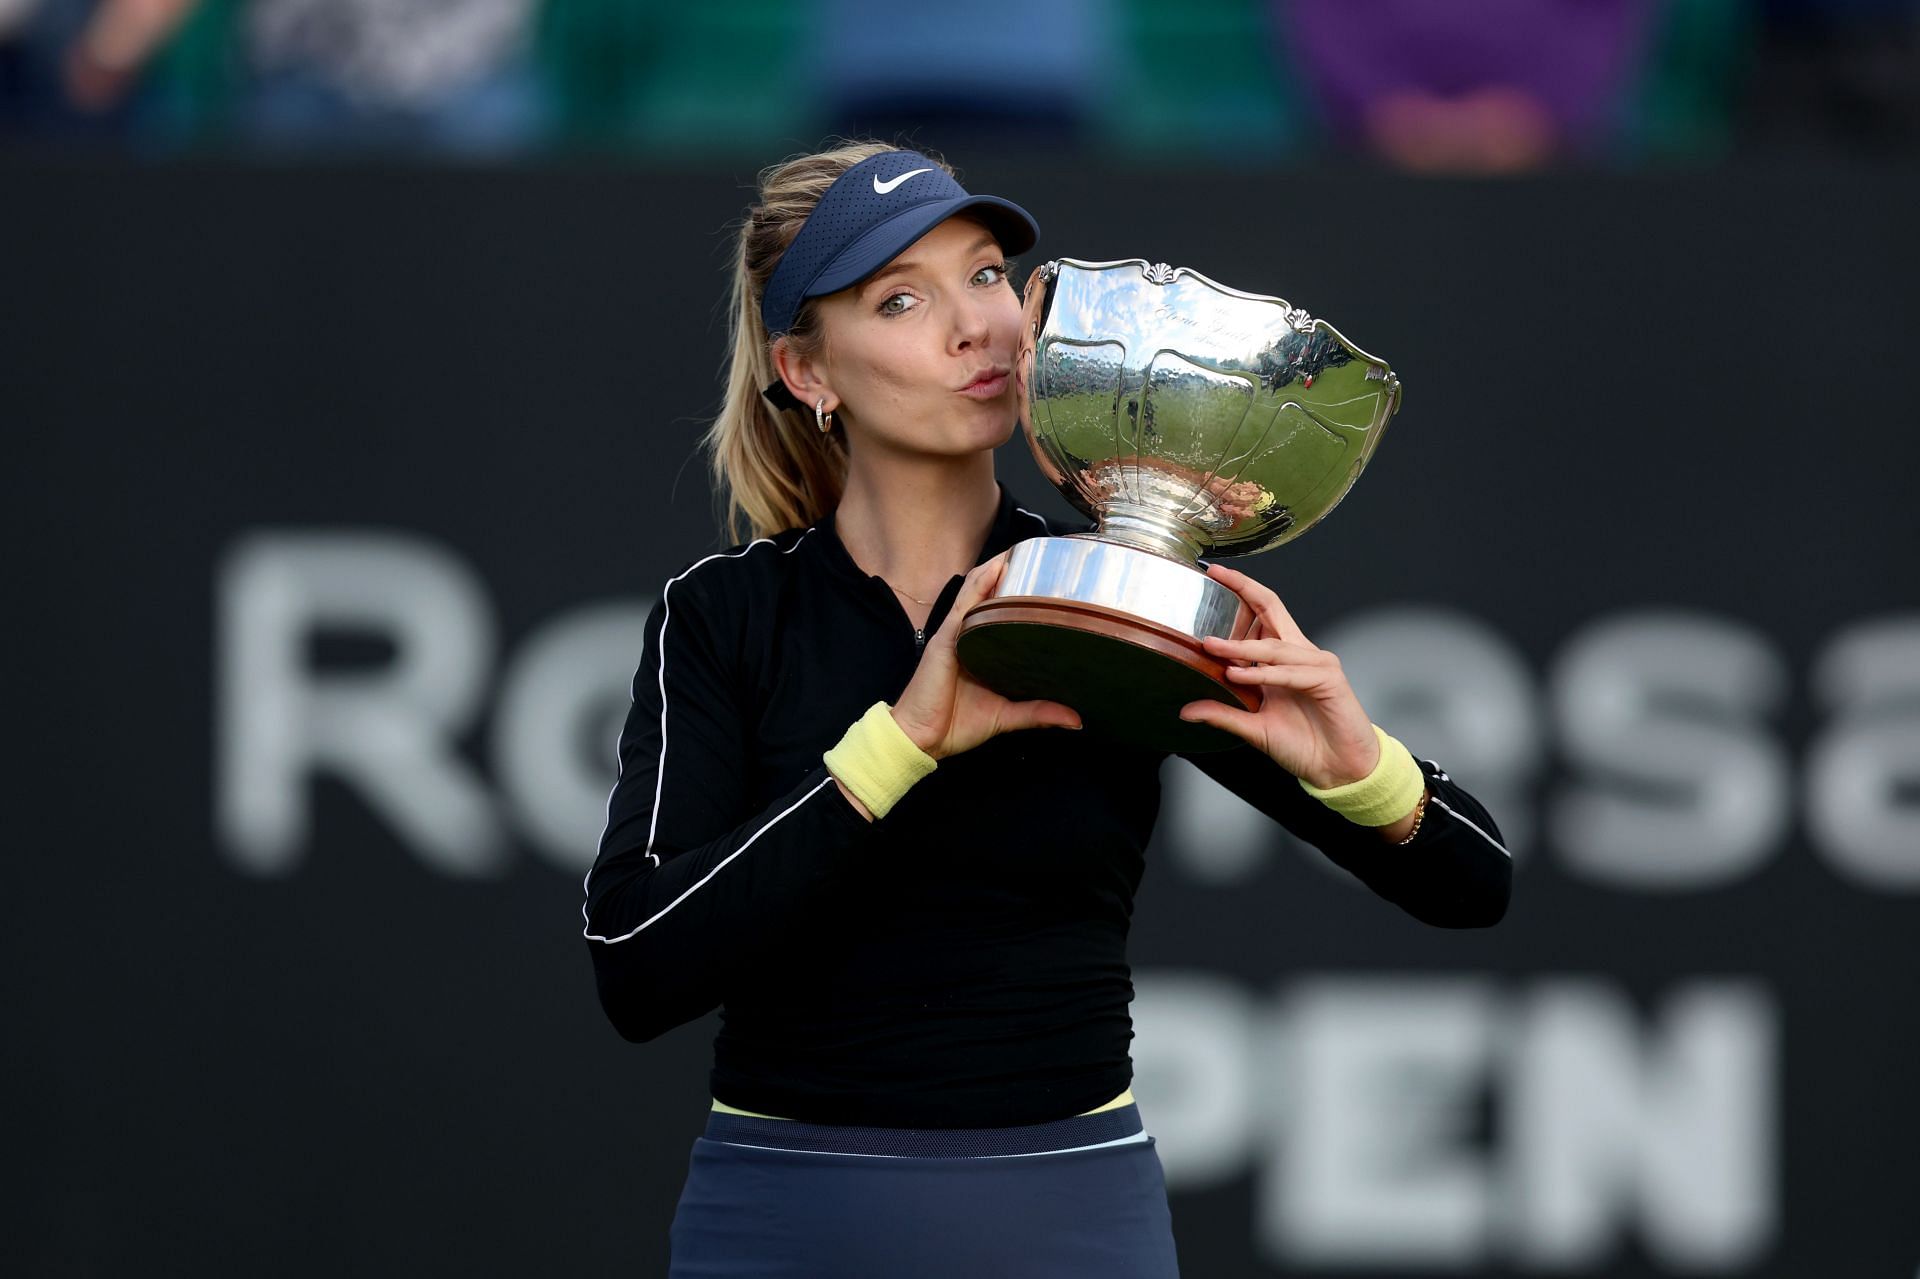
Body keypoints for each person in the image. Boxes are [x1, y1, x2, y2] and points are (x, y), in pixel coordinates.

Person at [581, 141, 1511, 1278]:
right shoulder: (724, 616)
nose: (975, 325)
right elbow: (636, 962)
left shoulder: (1109, 595)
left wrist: (1356, 764)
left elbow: (1474, 884)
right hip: (784, 1221)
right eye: (901, 299)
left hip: (1068, 1219)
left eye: (983, 275)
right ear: (807, 371)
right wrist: (900, 744)